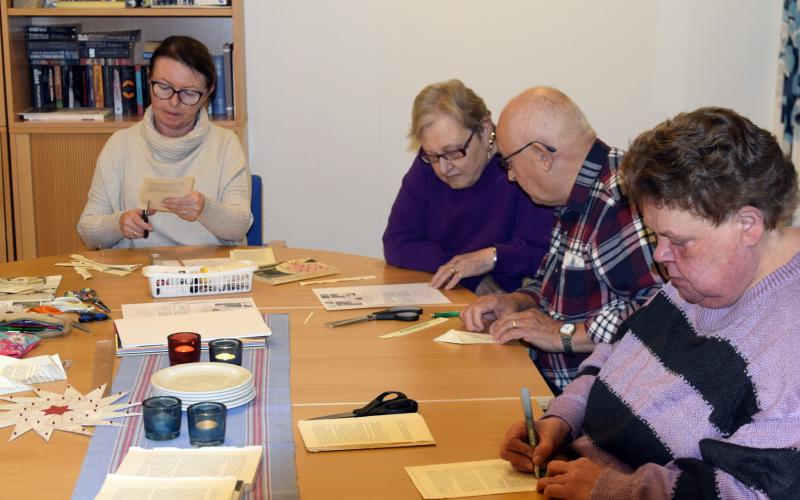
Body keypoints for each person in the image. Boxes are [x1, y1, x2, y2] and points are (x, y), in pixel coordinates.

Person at [501, 107, 800, 499]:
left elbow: (749, 492)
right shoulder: (699, 281)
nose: (660, 256)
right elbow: (614, 356)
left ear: (748, 225)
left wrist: (614, 490)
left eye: (677, 241)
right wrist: (561, 419)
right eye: (656, 237)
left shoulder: (786, 349)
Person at [462, 87, 664, 392]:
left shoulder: (620, 201)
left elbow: (663, 311)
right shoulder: (579, 194)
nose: (511, 177)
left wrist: (566, 334)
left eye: (509, 164)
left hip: (592, 405)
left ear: (542, 156)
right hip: (548, 383)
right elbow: (552, 287)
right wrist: (516, 303)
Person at [78, 36, 252, 249]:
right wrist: (118, 224)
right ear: (149, 80)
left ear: (208, 92)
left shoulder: (225, 145)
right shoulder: (121, 145)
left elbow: (239, 227)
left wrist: (205, 208)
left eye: (188, 93)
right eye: (164, 87)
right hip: (137, 273)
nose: (173, 102)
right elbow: (88, 232)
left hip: (208, 271)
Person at [382, 79, 553, 294]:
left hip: (511, 305)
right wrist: (468, 276)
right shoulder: (429, 163)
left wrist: (491, 257)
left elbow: (545, 256)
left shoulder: (519, 166)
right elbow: (397, 243)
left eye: (453, 152)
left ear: (484, 130)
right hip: (452, 296)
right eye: (433, 155)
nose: (444, 168)